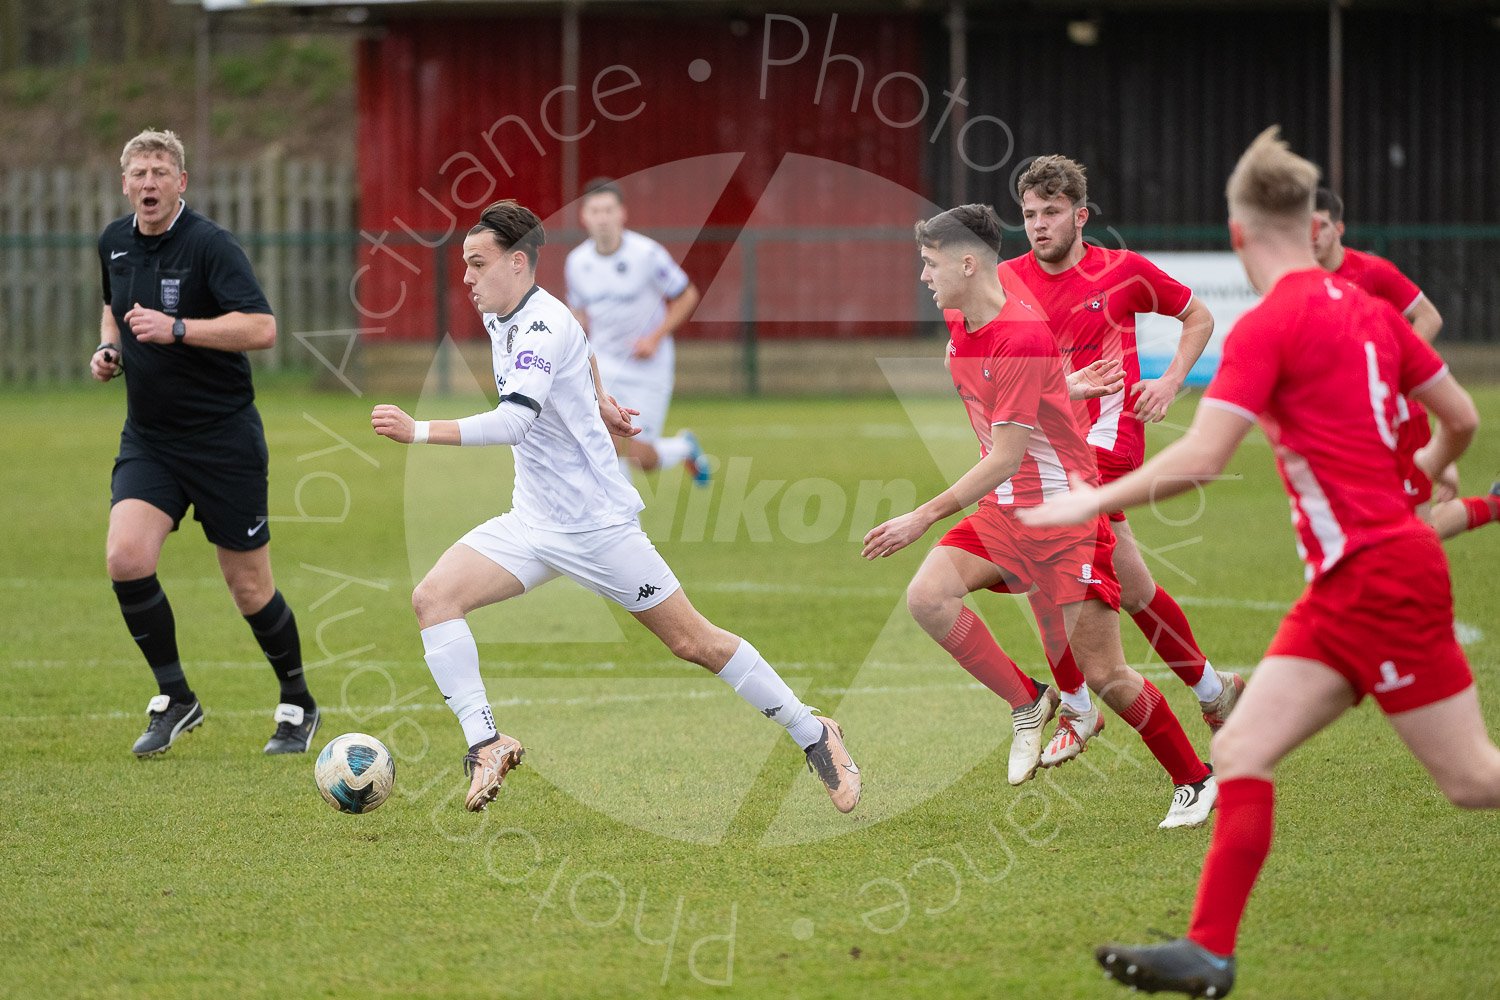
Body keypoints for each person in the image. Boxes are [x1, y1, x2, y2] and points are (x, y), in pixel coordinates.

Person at [1021, 126, 1500, 997]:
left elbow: (1202, 459)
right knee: (1240, 745)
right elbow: (1461, 418)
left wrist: (1089, 500)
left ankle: (1208, 945)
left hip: (1377, 580)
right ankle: (1209, 951)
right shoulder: (1370, 313)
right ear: (1311, 224)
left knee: (1472, 780)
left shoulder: (1267, 325)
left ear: (1241, 236)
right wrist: (1418, 477)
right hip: (1353, 579)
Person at [370, 199, 859, 814]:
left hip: (599, 529)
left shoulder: (541, 324)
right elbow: (584, 346)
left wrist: (418, 431)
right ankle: (486, 743)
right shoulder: (509, 315)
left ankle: (815, 732)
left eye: (476, 264)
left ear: (517, 264)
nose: (465, 278)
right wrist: (598, 398)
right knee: (433, 598)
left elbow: (515, 422)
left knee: (694, 643)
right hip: (532, 522)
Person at [862, 204, 1215, 830]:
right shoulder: (962, 319)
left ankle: (1195, 779)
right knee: (928, 598)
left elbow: (1003, 457)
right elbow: (1009, 389)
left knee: (1107, 675)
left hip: (1061, 518)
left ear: (968, 263)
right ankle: (1029, 702)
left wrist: (922, 516)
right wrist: (1065, 389)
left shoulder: (1021, 335)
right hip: (1006, 514)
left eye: (930, 263)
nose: (923, 275)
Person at [1002, 156, 1242, 768]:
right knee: (1132, 588)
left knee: (1037, 560)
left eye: (1051, 212)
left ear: (1080, 216)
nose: (1039, 225)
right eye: (1029, 214)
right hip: (1045, 448)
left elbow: (1198, 316)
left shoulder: (1124, 272)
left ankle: (1080, 708)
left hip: (1105, 449)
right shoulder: (1007, 281)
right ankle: (1216, 692)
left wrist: (1169, 381)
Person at [93, 128, 318, 757]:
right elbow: (113, 307)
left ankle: (298, 703)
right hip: (151, 440)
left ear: (181, 182)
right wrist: (109, 348)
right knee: (126, 559)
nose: (148, 183)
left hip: (223, 440)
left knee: (248, 587)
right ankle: (176, 697)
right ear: (125, 184)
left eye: (160, 171)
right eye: (138, 172)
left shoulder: (212, 246)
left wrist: (179, 328)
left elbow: (264, 328)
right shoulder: (113, 242)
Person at [1313, 187, 1499, 540]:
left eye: (1319, 226)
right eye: (1304, 227)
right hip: (1351, 421)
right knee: (1388, 530)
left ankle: (1487, 502)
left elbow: (1429, 318)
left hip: (1400, 417)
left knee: (1411, 534)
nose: (1312, 236)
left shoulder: (1372, 271)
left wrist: (1393, 367)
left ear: (1339, 229)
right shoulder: (1306, 282)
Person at [565, 178, 709, 484]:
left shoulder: (647, 254)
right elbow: (579, 314)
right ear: (584, 216)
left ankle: (683, 447)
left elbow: (687, 295)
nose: (602, 218)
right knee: (606, 441)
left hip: (648, 367)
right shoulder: (577, 263)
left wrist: (654, 338)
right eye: (595, 211)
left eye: (608, 210)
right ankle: (626, 527)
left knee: (642, 457)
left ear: (622, 214)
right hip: (605, 365)